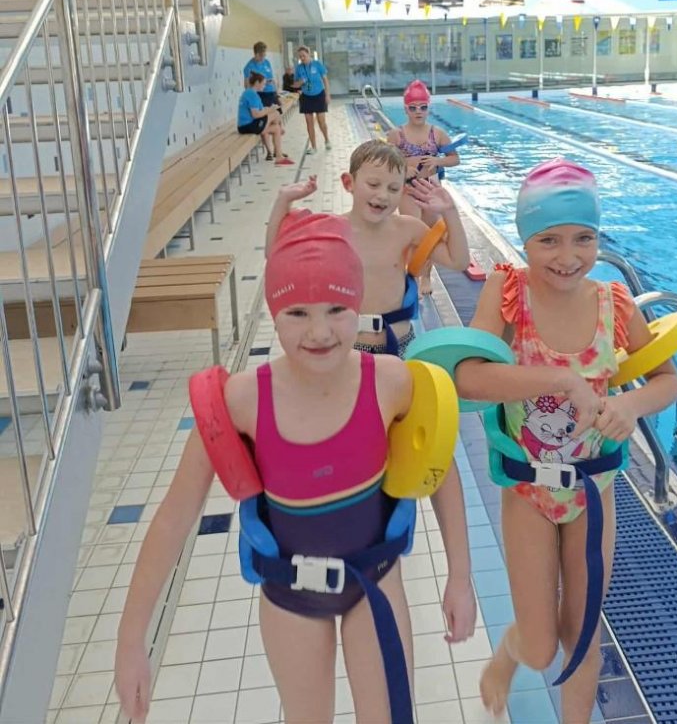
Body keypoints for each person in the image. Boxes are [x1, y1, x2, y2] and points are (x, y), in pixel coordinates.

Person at [115, 212, 476, 724]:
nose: (320, 331)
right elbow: (174, 518)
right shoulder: (242, 401)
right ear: (273, 312)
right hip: (290, 595)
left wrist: (460, 577)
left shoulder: (390, 381)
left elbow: (441, 474)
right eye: (298, 313)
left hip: (375, 581)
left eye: (337, 308)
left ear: (358, 303)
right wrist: (131, 641)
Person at [455, 159, 677, 724]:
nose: (568, 256)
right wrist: (559, 381)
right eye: (548, 240)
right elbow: (468, 378)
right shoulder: (510, 295)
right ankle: (511, 652)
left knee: (582, 638)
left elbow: (668, 380)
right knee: (540, 648)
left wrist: (629, 404)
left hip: (593, 491)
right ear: (525, 240)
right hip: (528, 494)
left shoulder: (613, 303)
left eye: (584, 238)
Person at [267, 140, 471, 361]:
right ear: (349, 183)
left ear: (403, 190)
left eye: (393, 189)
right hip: (350, 348)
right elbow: (274, 254)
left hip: (400, 343)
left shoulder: (408, 229)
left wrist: (450, 212)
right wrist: (283, 201)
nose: (383, 195)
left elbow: (458, 261)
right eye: (373, 184)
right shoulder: (329, 230)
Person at [387, 81, 460, 297]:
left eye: (423, 107)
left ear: (428, 107)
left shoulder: (437, 134)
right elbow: (385, 162)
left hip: (431, 189)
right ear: (405, 109)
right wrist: (403, 168)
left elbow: (454, 159)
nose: (418, 111)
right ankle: (412, 277)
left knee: (429, 237)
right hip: (408, 190)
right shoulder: (397, 135)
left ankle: (426, 276)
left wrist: (438, 161)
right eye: (413, 108)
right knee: (411, 234)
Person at [238, 72, 293, 164]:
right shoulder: (252, 95)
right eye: (263, 84)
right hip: (248, 126)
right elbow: (255, 114)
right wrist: (270, 109)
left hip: (249, 125)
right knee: (275, 113)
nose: (265, 86)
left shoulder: (250, 93)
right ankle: (280, 127)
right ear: (257, 83)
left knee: (276, 128)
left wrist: (268, 109)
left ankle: (279, 156)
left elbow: (260, 110)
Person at [293, 45, 330, 153]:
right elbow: (295, 84)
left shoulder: (317, 64)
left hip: (319, 95)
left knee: (321, 121)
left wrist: (327, 95)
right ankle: (313, 147)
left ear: (309, 54)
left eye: (303, 56)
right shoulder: (299, 68)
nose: (302, 58)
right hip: (306, 97)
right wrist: (300, 82)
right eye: (300, 56)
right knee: (309, 123)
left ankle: (327, 140)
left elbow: (325, 80)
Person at [243, 41, 279, 107]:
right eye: (262, 56)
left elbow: (272, 79)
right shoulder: (249, 67)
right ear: (256, 54)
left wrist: (276, 92)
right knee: (267, 113)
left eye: (265, 55)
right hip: (261, 94)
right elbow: (247, 86)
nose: (263, 58)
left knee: (279, 111)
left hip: (271, 92)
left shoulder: (267, 62)